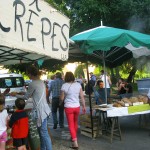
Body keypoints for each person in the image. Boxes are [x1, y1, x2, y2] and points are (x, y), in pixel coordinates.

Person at [11, 65, 52, 150]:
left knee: (43, 133)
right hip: (45, 110)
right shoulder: (41, 82)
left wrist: (16, 95)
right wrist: (20, 93)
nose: (28, 76)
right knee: (42, 133)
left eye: (28, 74)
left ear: (30, 74)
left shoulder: (32, 83)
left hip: (40, 111)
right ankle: (43, 148)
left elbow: (26, 97)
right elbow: (31, 93)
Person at [60, 72, 86, 149]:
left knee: (71, 124)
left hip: (68, 107)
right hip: (77, 107)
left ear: (66, 77)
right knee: (75, 123)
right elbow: (82, 97)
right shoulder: (78, 85)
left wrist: (60, 102)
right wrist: (84, 106)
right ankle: (73, 136)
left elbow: (61, 98)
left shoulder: (64, 85)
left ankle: (75, 143)